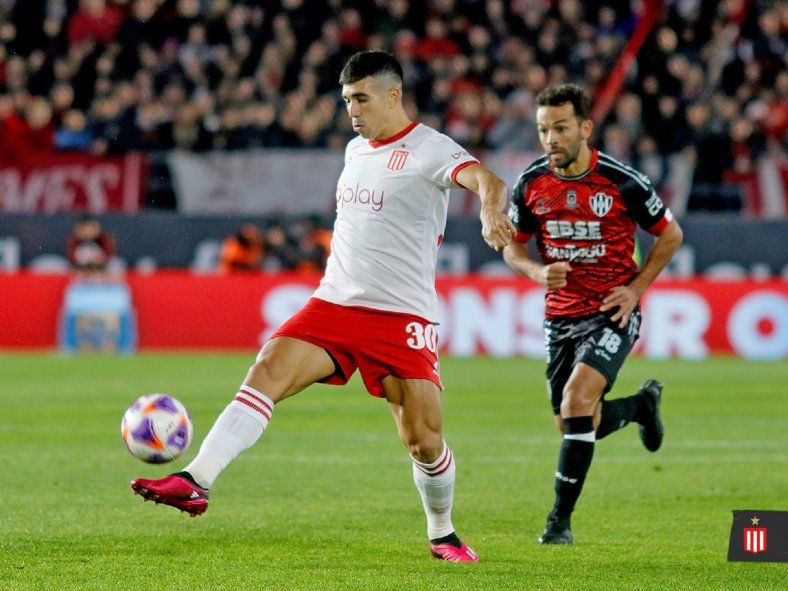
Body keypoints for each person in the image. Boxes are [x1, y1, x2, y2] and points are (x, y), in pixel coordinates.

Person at [131, 51, 516, 563]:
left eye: (361, 98)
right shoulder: (355, 151)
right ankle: (196, 479)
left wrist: (491, 211)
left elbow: (489, 180)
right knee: (267, 368)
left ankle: (443, 533)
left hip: (401, 314)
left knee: (423, 442)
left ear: (393, 95)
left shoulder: (429, 148)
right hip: (334, 302)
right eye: (346, 100)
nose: (352, 110)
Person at [502, 84, 683, 544]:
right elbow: (512, 247)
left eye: (560, 128)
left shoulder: (623, 181)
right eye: (543, 130)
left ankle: (558, 522)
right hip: (560, 316)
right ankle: (640, 407)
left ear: (585, 128)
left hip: (611, 311)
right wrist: (535, 272)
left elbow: (670, 236)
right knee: (574, 424)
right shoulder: (531, 184)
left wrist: (635, 289)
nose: (551, 139)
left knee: (577, 402)